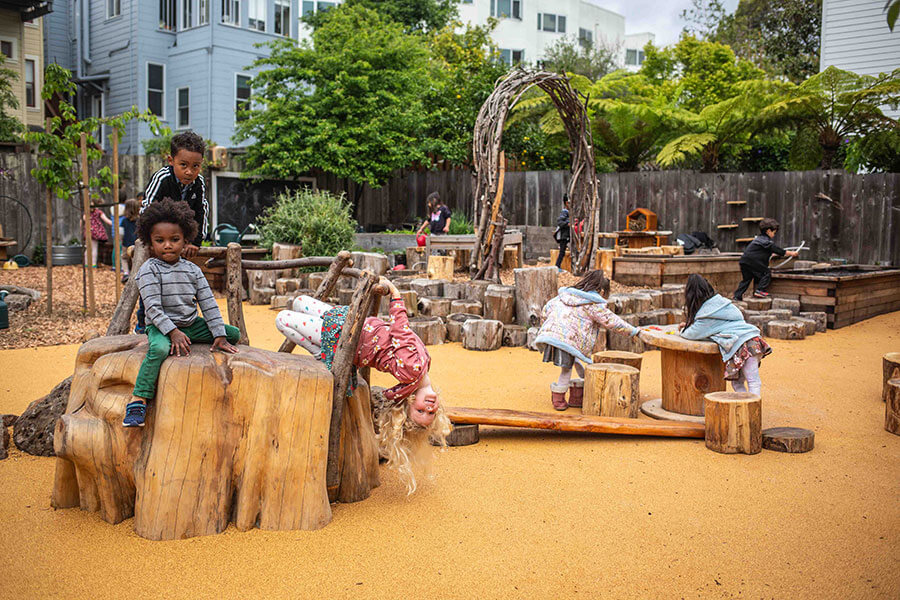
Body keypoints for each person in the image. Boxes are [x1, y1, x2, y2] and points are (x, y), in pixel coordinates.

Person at [275, 278, 450, 493]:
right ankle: (325, 352)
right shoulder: (423, 367)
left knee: (282, 319)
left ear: (410, 402)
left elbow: (400, 330)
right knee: (300, 301)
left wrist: (394, 293)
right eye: (431, 413)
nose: (429, 407)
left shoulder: (413, 370)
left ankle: (324, 353)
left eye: (420, 411)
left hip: (345, 335)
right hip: (353, 323)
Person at [123, 199, 240, 427]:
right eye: (160, 240)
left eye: (174, 240)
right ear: (150, 243)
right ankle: (138, 400)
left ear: (185, 240)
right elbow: (153, 309)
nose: (167, 245)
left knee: (232, 334)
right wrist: (173, 332)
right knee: (159, 349)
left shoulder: (193, 269)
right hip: (160, 327)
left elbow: (208, 303)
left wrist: (218, 333)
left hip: (189, 324)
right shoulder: (148, 270)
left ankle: (193, 337)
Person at [535, 271, 643, 411]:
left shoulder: (563, 297)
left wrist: (546, 329)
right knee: (566, 370)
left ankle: (578, 393)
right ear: (602, 291)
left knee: (577, 361)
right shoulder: (592, 304)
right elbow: (612, 321)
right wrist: (634, 331)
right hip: (567, 341)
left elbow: (545, 310)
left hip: (553, 336)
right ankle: (558, 400)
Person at [136, 131, 209, 333]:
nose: (189, 172)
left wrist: (195, 242)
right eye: (183, 165)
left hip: (181, 239)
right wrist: (151, 241)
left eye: (195, 166)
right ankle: (143, 326)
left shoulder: (199, 182)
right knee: (151, 281)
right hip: (158, 238)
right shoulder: (162, 178)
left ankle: (181, 323)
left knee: (181, 281)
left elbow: (201, 211)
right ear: (171, 160)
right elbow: (147, 208)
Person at [680, 274, 771, 396]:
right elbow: (718, 326)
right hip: (753, 341)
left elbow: (692, 334)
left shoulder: (708, 314)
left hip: (744, 345)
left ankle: (753, 410)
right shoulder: (723, 304)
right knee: (738, 383)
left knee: (753, 381)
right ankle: (745, 406)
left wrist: (682, 330)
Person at [733, 218, 798, 300]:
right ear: (768, 231)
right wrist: (792, 253)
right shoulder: (766, 242)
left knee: (746, 279)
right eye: (774, 233)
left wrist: (771, 254)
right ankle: (759, 290)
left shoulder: (758, 240)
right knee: (766, 273)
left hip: (744, 261)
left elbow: (762, 251)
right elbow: (779, 250)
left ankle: (737, 296)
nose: (774, 235)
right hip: (753, 262)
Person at [119, 198, 139, 281]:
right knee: (135, 259)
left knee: (124, 258)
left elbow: (121, 233)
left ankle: (126, 273)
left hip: (126, 243)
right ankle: (135, 274)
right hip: (137, 244)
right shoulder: (139, 221)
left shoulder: (124, 221)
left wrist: (120, 241)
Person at [553, 194, 570, 272]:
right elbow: (560, 222)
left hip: (567, 235)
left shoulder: (568, 212)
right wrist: (568, 224)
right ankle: (557, 267)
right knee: (562, 252)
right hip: (564, 235)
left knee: (564, 251)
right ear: (567, 203)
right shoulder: (565, 212)